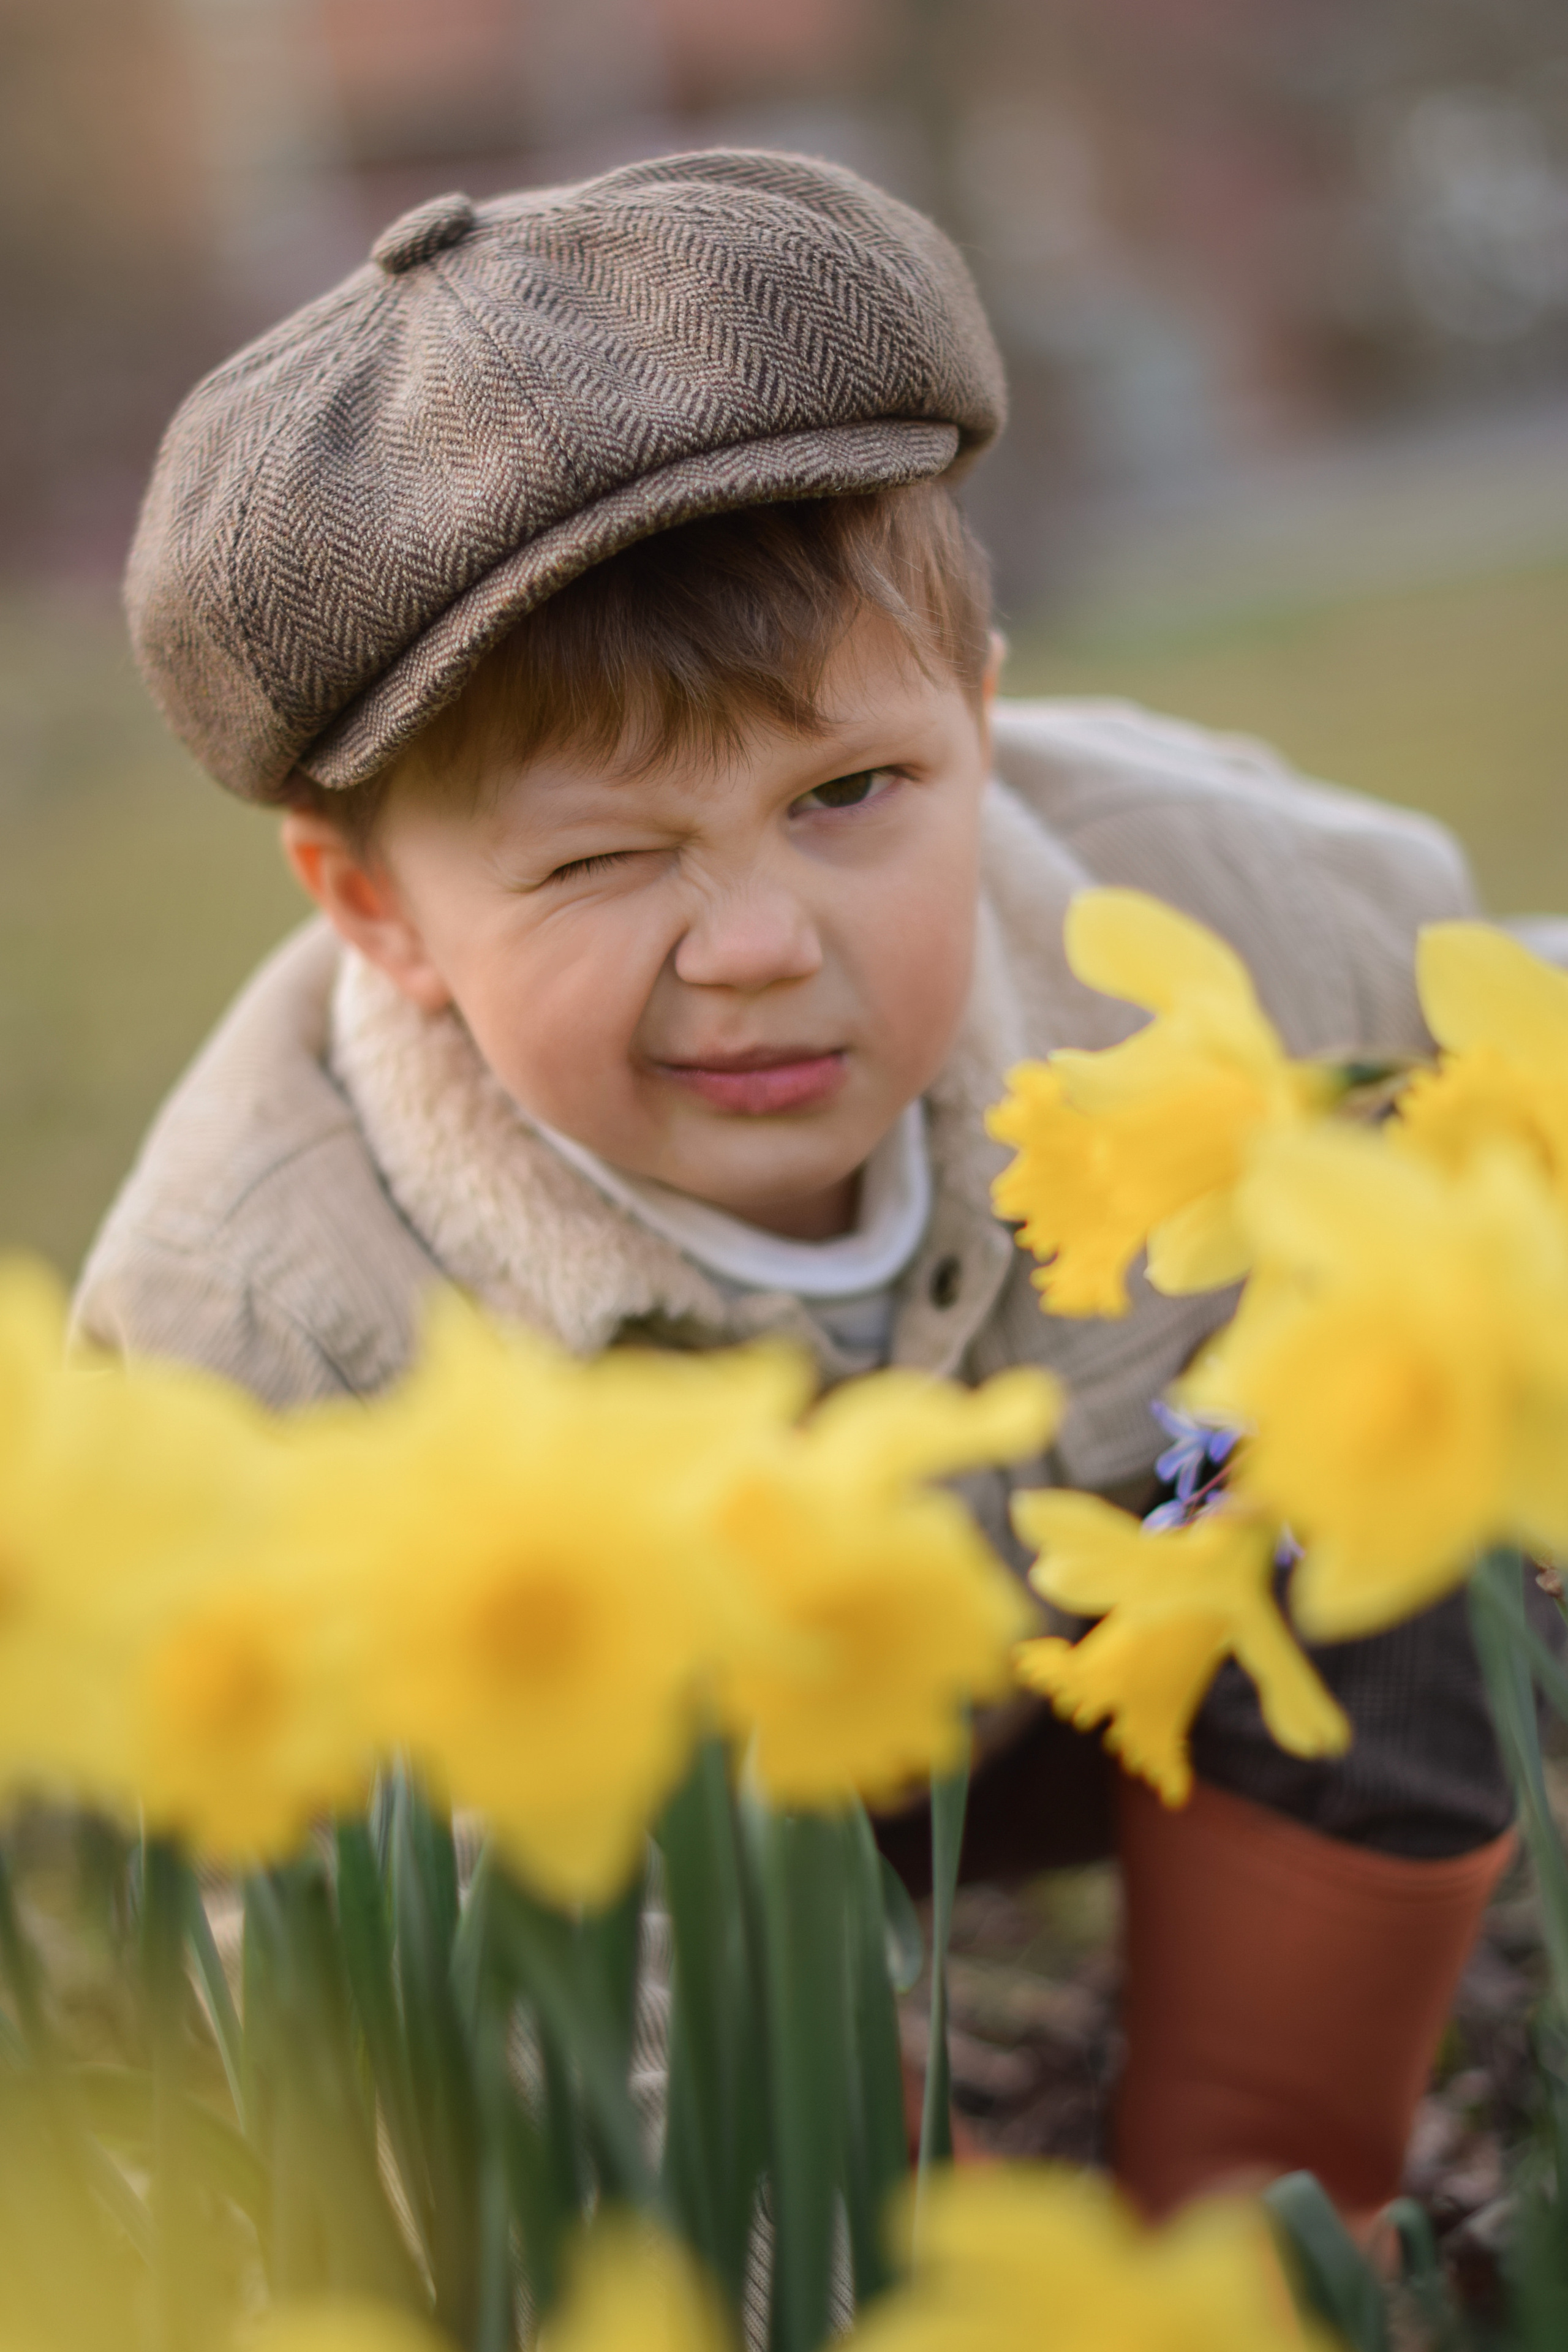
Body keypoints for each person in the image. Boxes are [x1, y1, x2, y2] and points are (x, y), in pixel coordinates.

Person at [78, 150, 1512, 2223]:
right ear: (370, 906)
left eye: (849, 796)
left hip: (1144, 1586)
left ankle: (1255, 2206)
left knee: (1413, 1456)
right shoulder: (264, 1318)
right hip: (662, 1781)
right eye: (597, 859)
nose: (756, 941)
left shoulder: (1284, 925)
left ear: (984, 720)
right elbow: (319, 1927)